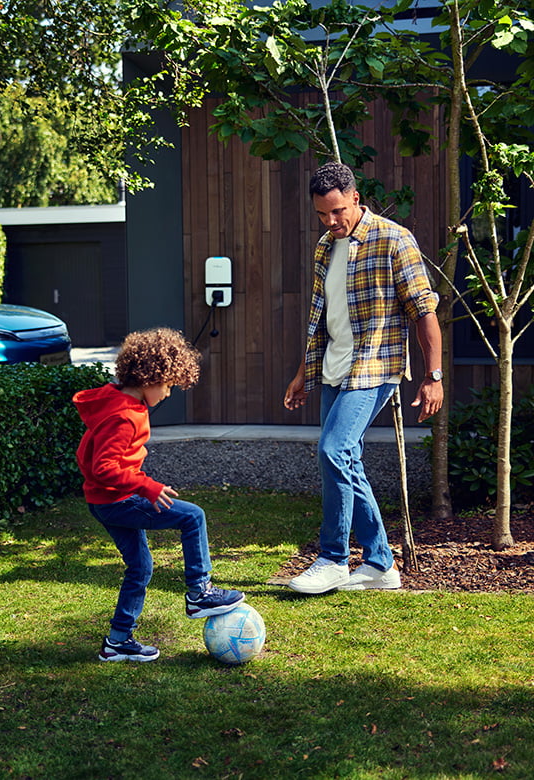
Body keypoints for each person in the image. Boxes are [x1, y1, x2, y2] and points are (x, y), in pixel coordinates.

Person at [284, 162, 443, 594]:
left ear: (356, 198)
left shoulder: (394, 240)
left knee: (333, 451)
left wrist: (434, 375)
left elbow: (424, 312)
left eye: (337, 211)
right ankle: (380, 565)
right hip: (333, 369)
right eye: (321, 214)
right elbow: (322, 319)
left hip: (374, 367)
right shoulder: (324, 248)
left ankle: (333, 558)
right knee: (346, 460)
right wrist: (304, 373)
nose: (331, 222)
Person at [73, 327, 244, 662]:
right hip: (116, 501)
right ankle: (200, 592)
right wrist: (145, 486)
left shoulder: (115, 400)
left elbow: (87, 454)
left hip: (103, 500)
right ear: (150, 377)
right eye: (167, 385)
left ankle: (118, 641)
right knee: (193, 517)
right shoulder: (125, 415)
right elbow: (102, 466)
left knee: (140, 568)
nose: (167, 394)